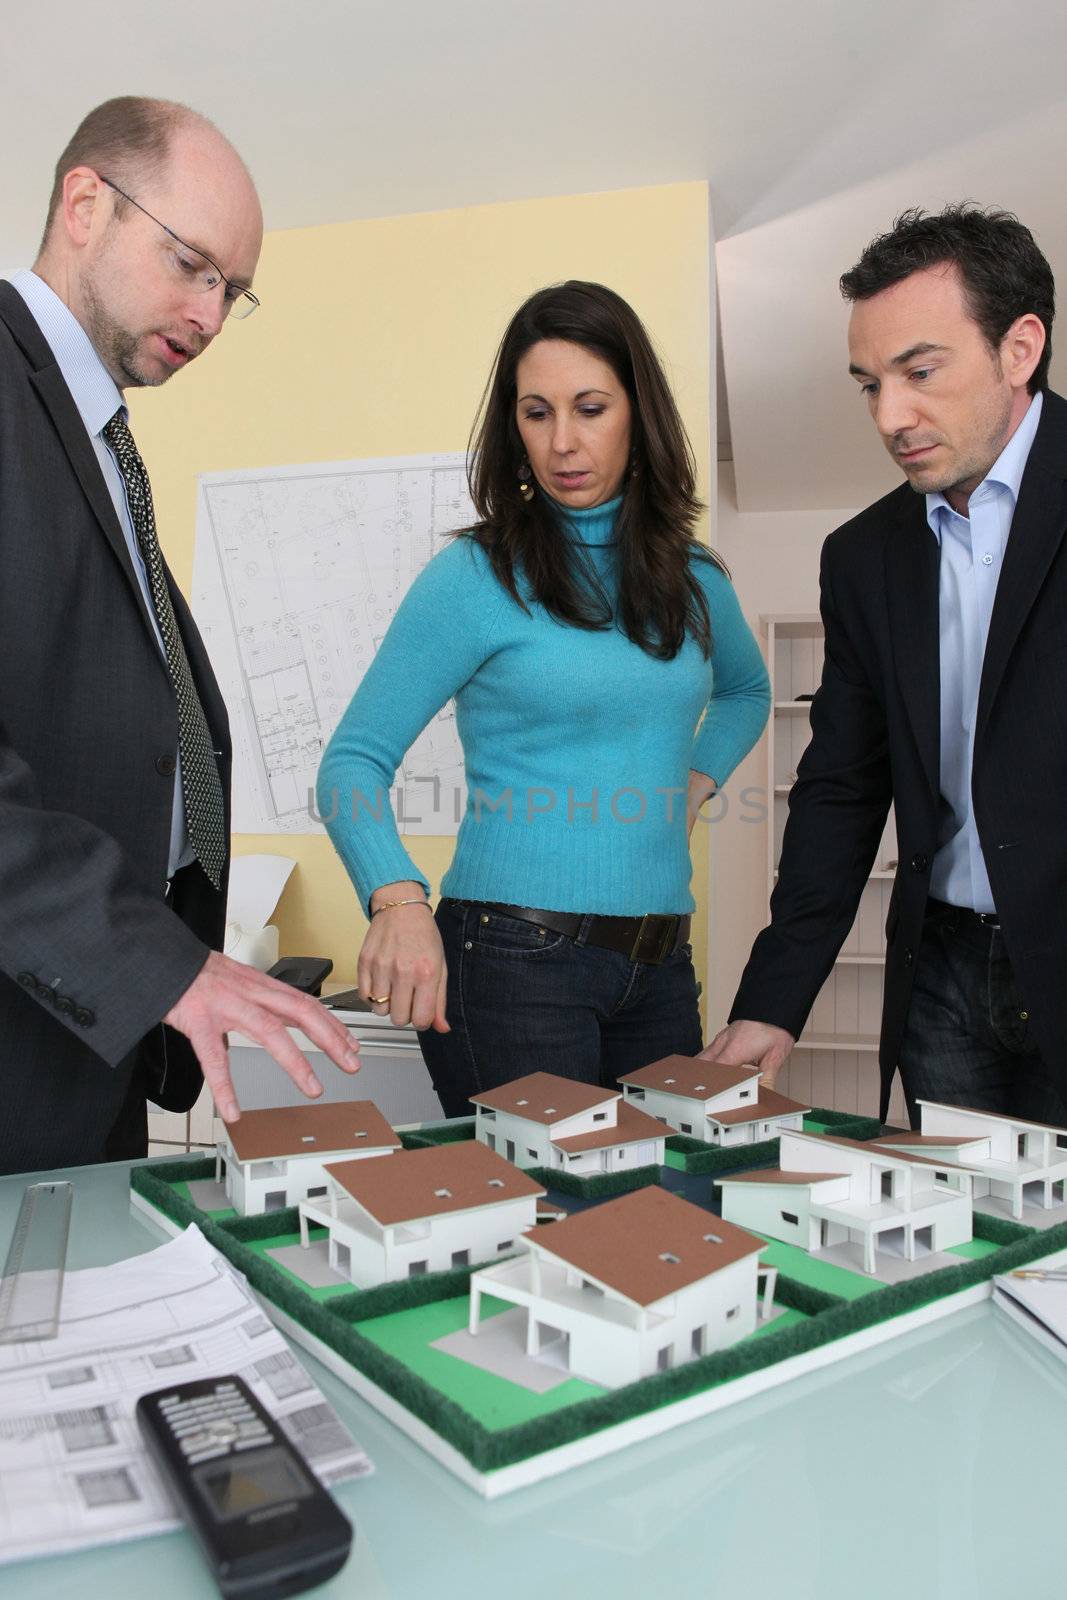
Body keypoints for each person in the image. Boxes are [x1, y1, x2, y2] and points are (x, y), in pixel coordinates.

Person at [0, 97, 360, 1175]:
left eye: (230, 291)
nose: (208, 316)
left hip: (91, 1031)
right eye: (191, 264)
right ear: (83, 205)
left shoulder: (98, 431)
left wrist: (166, 965)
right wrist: (145, 961)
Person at [318, 280, 770, 1116]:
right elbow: (352, 762)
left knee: (660, 1220)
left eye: (590, 407)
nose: (562, 442)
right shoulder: (474, 577)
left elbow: (745, 690)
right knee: (547, 1224)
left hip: (659, 966)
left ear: (637, 413)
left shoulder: (694, 577)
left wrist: (694, 786)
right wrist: (397, 897)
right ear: (512, 425)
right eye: (536, 412)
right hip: (512, 964)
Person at [704, 204, 1067, 1128]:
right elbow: (841, 787)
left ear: (1019, 348)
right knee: (965, 1251)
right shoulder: (861, 556)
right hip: (941, 974)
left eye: (919, 370)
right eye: (868, 383)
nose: (888, 416)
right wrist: (770, 1001)